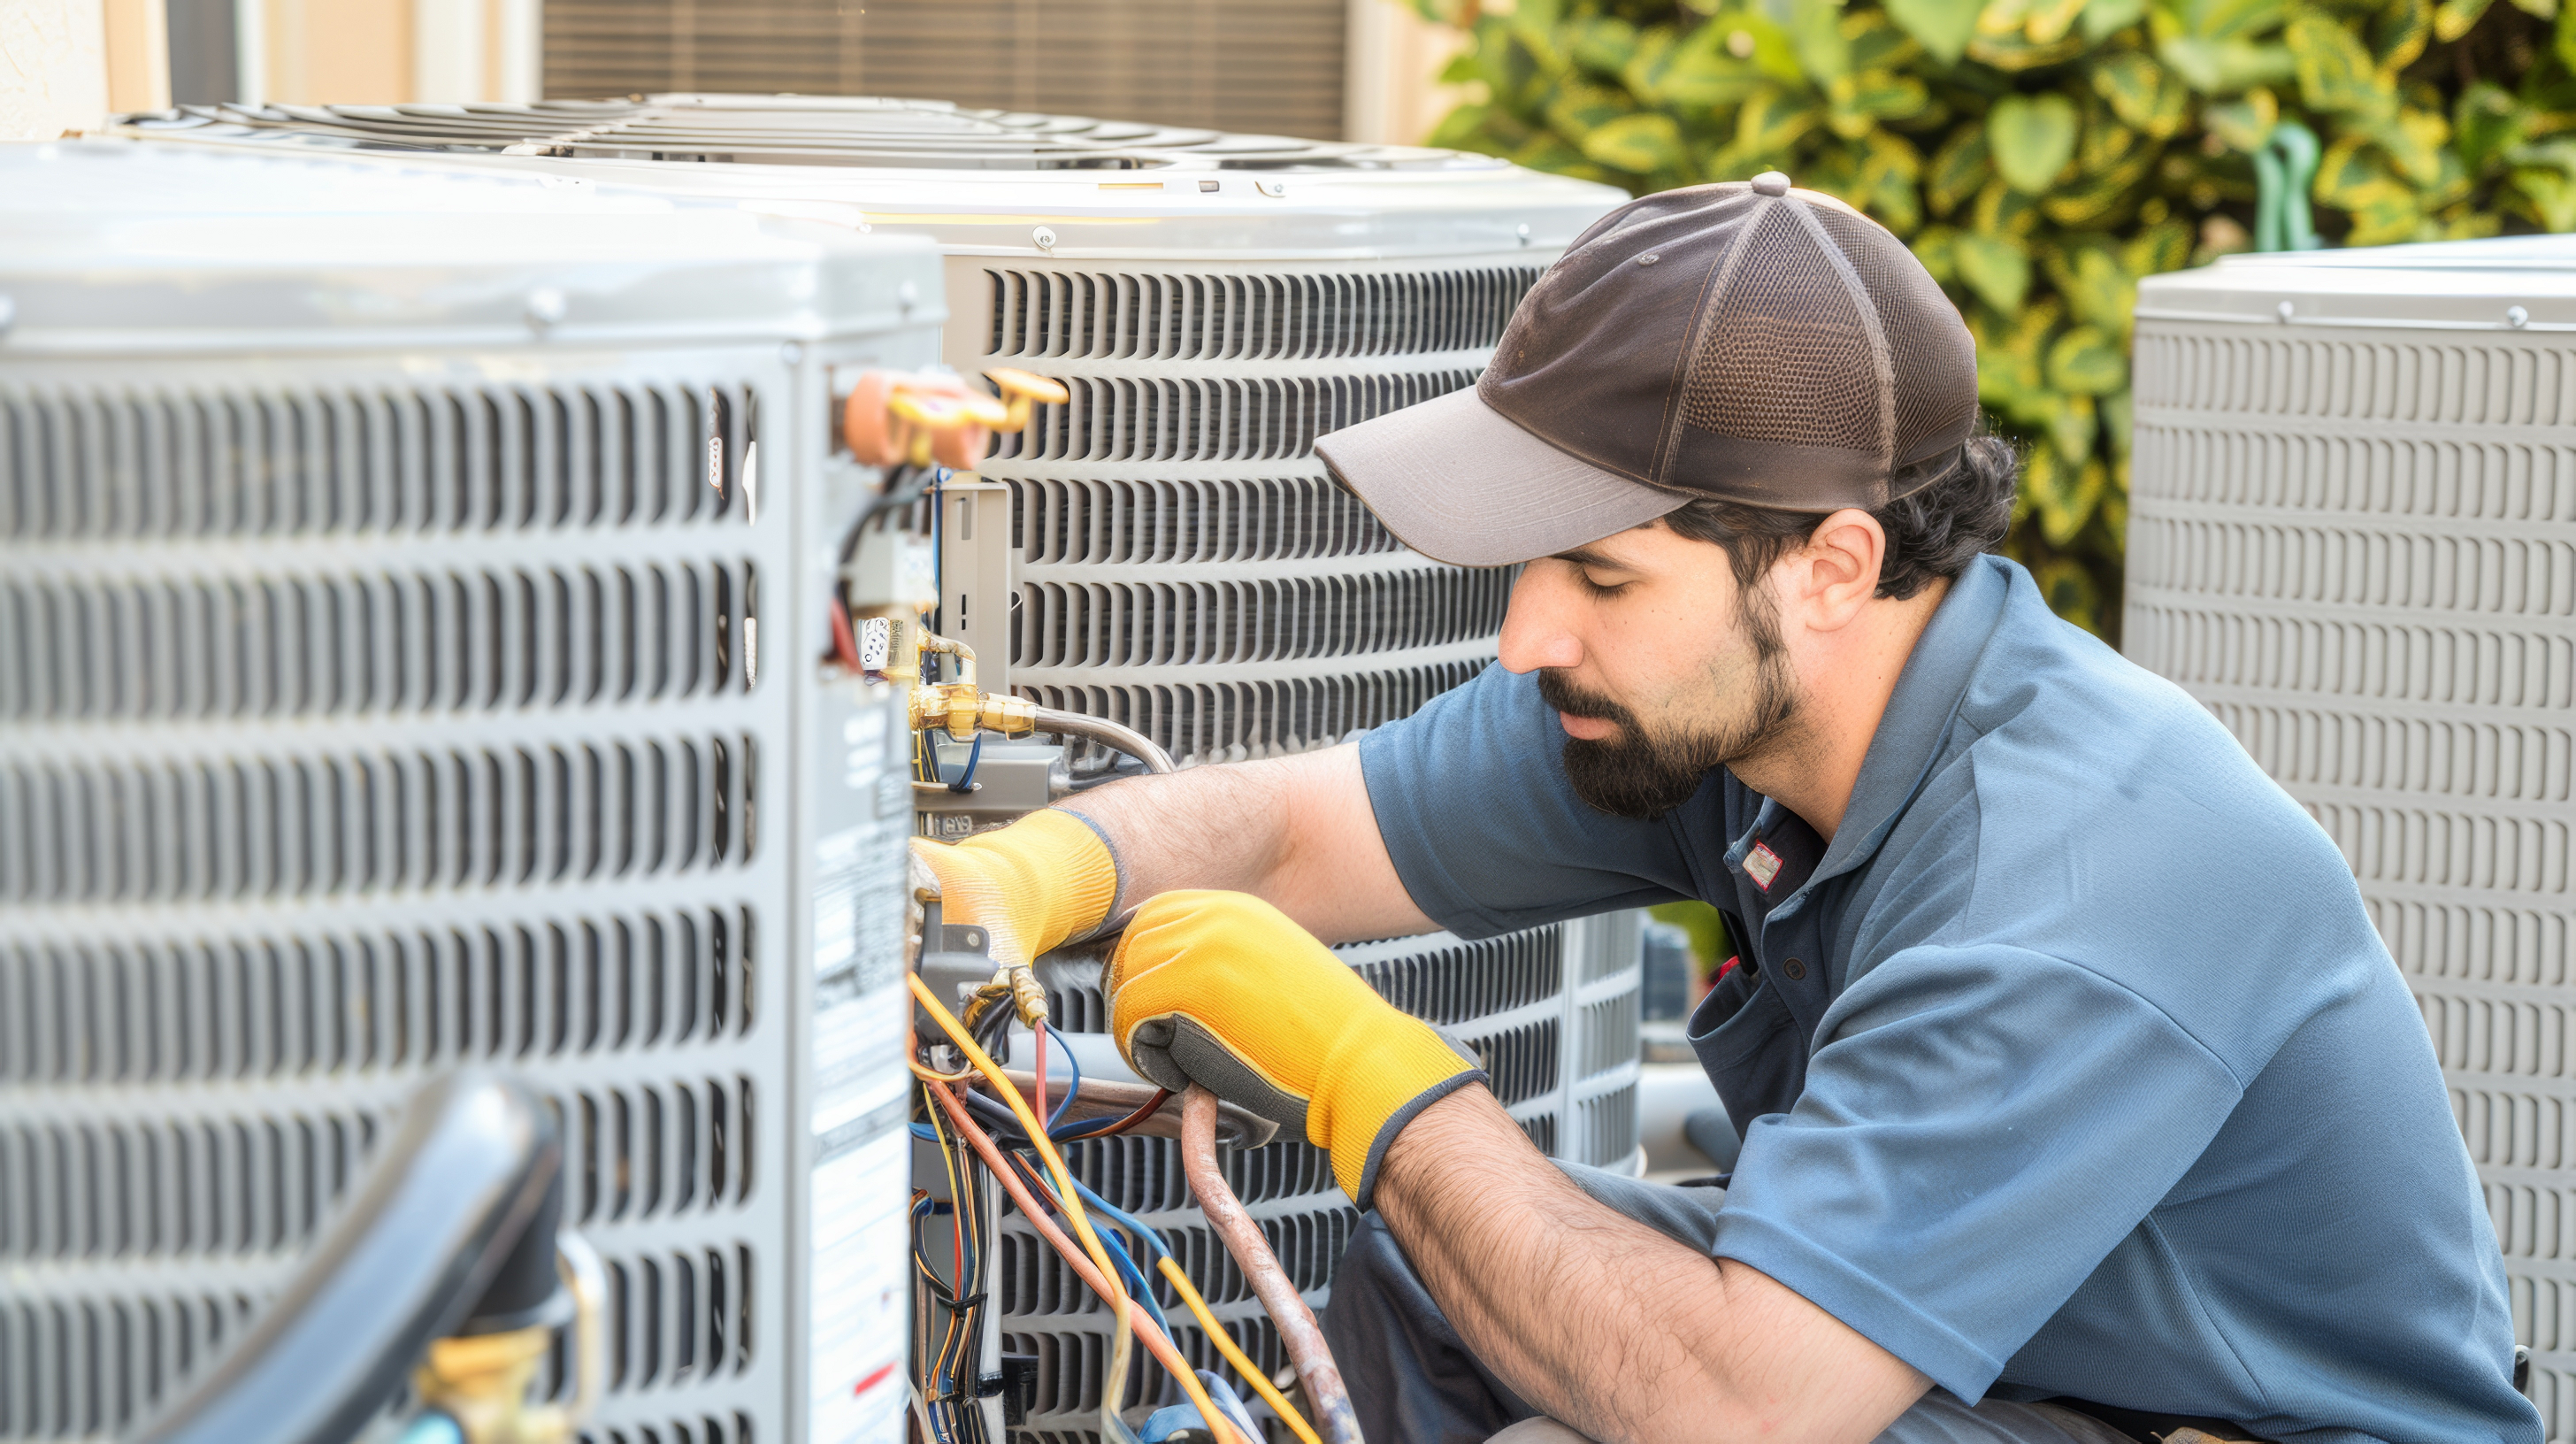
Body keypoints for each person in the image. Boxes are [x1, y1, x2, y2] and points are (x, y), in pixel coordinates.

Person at [914, 174, 2540, 1444]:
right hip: (2020, 1381)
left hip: (2225, 1429)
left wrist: (1372, 1079)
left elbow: (1734, 1409)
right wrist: (1032, 875)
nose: (1526, 636)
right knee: (1452, 1276)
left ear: (1830, 566)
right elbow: (1291, 832)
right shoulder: (1708, 705)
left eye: (1599, 573)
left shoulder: (2077, 881)